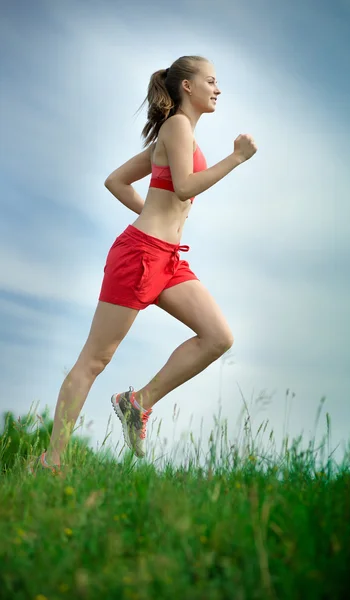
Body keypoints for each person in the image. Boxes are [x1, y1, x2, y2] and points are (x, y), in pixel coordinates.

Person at [28, 55, 257, 473]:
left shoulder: (176, 135)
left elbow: (116, 180)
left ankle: (138, 404)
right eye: (211, 80)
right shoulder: (177, 127)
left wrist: (153, 212)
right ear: (187, 86)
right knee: (95, 359)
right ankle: (52, 460)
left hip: (167, 260)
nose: (218, 88)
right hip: (141, 255)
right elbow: (185, 185)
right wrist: (236, 158)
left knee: (218, 336)